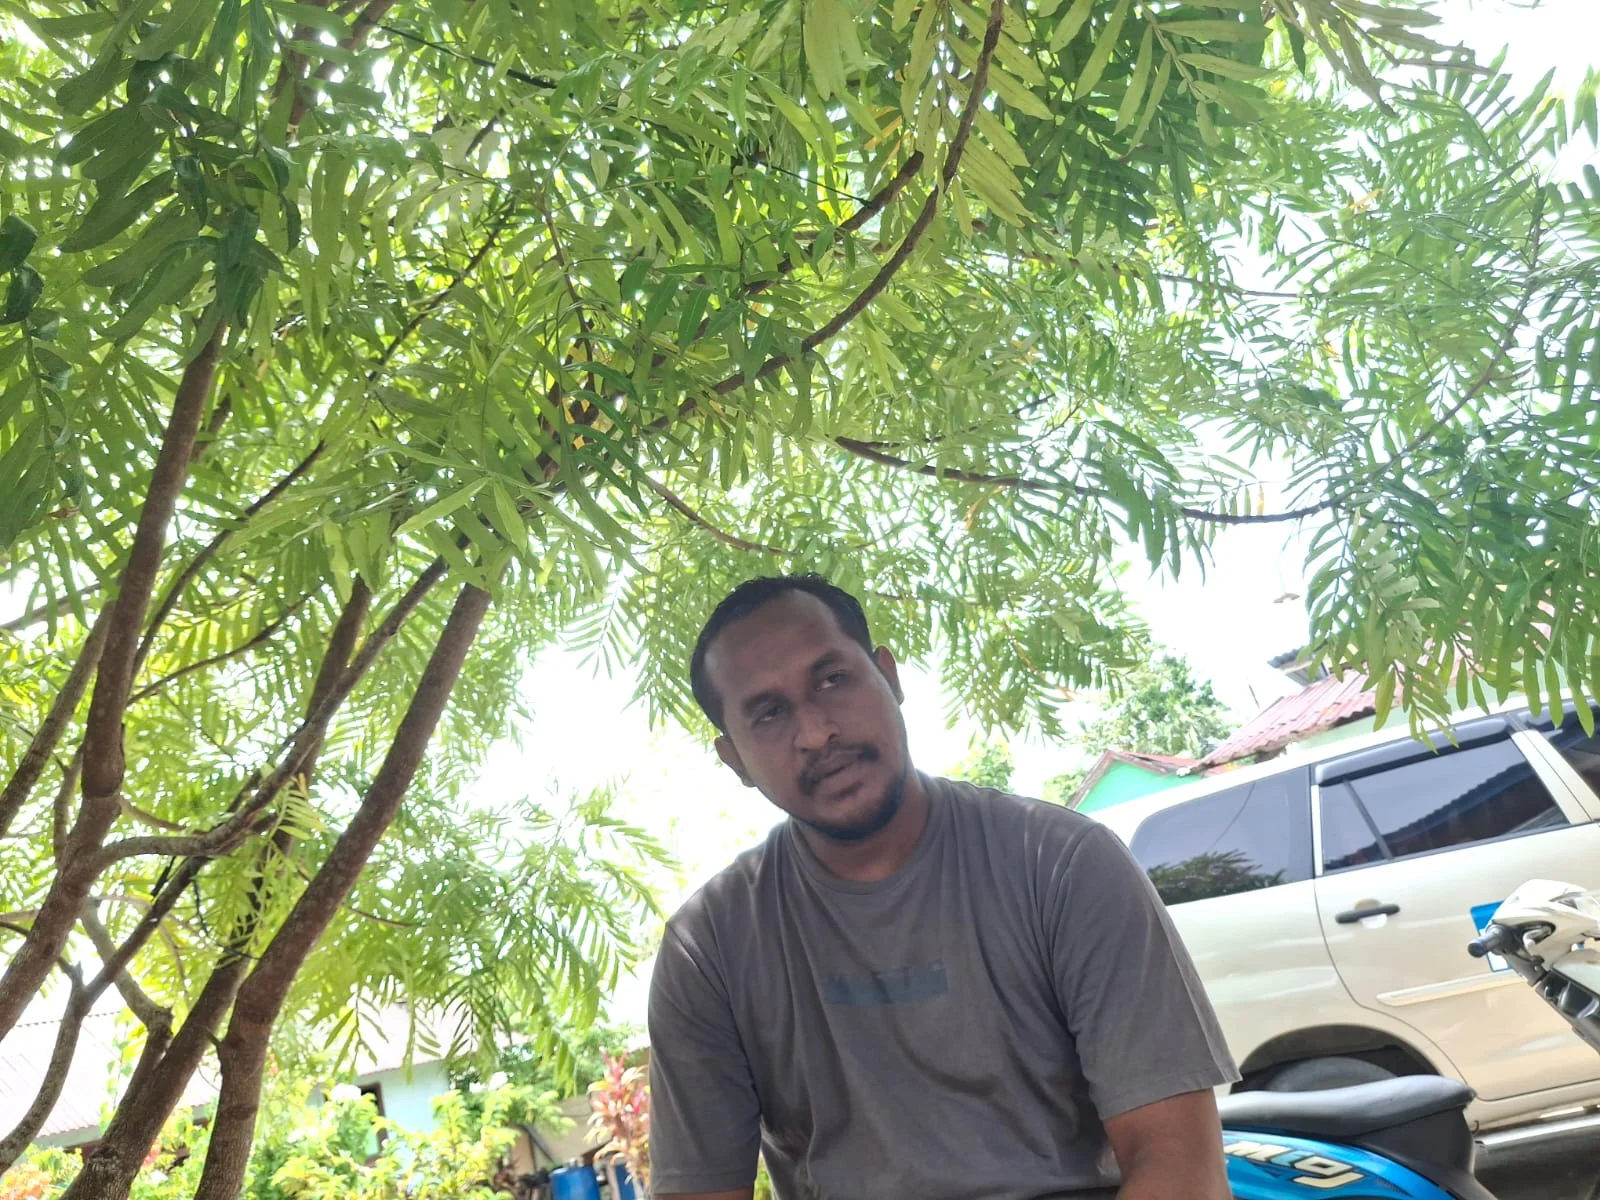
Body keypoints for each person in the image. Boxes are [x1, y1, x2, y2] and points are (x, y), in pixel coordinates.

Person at [647, 575, 1238, 1200]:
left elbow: (1183, 1169)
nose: (816, 732)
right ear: (735, 760)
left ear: (889, 677)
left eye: (832, 679)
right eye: (769, 713)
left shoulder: (1061, 865)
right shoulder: (709, 950)